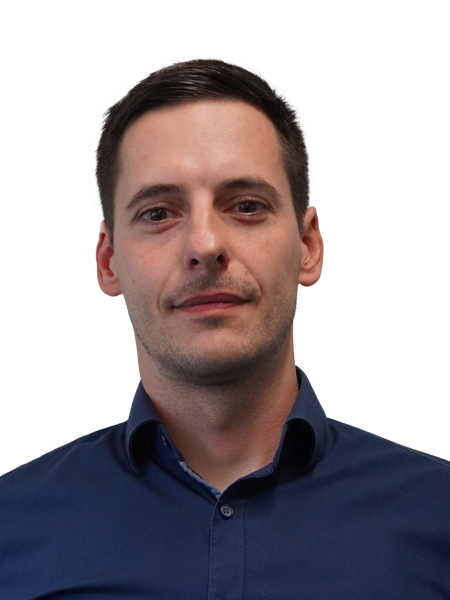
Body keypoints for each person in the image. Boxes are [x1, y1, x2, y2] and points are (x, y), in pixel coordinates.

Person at [1, 56, 449, 599]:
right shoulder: (10, 527)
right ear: (108, 261)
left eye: (247, 206)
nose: (205, 245)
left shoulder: (438, 515)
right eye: (158, 213)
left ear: (309, 245)